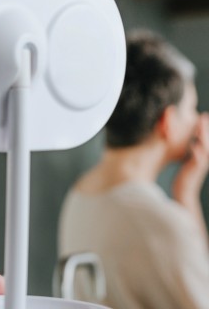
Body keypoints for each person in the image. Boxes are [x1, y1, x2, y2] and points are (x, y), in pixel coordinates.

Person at [58, 30, 209, 308]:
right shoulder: (164, 223)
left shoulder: (79, 194)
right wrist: (187, 199)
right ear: (167, 122)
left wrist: (185, 193)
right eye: (192, 108)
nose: (198, 120)